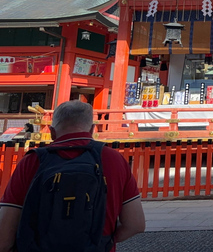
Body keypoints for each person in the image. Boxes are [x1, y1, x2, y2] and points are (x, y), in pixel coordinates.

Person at [0, 101, 145, 252]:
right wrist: (103, 241)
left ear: (52, 132)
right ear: (92, 129)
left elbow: (4, 238)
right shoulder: (114, 159)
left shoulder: (31, 162)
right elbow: (136, 224)